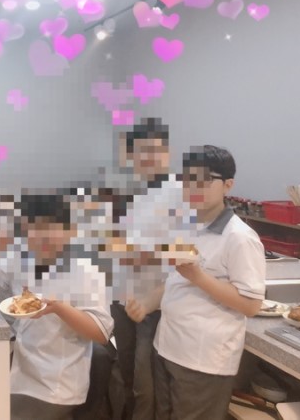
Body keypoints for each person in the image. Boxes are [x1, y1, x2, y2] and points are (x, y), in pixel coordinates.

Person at [127, 146, 265, 420]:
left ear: (228, 185)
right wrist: (146, 305)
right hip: (168, 346)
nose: (193, 187)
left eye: (205, 179)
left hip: (203, 359)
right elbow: (178, 280)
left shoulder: (239, 237)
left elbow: (251, 304)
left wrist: (199, 277)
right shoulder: (188, 227)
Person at [84, 118, 193, 420]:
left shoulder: (180, 193)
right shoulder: (130, 191)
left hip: (155, 302)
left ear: (167, 152)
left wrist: (147, 255)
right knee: (126, 372)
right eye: (142, 152)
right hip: (122, 296)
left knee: (146, 382)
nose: (149, 158)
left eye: (155, 151)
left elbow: (188, 250)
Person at [0, 191, 114, 420]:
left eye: (51, 228)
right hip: (22, 368)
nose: (41, 236)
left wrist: (59, 308)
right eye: (33, 228)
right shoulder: (23, 257)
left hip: (56, 383)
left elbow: (101, 333)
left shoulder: (86, 269)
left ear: (71, 230)